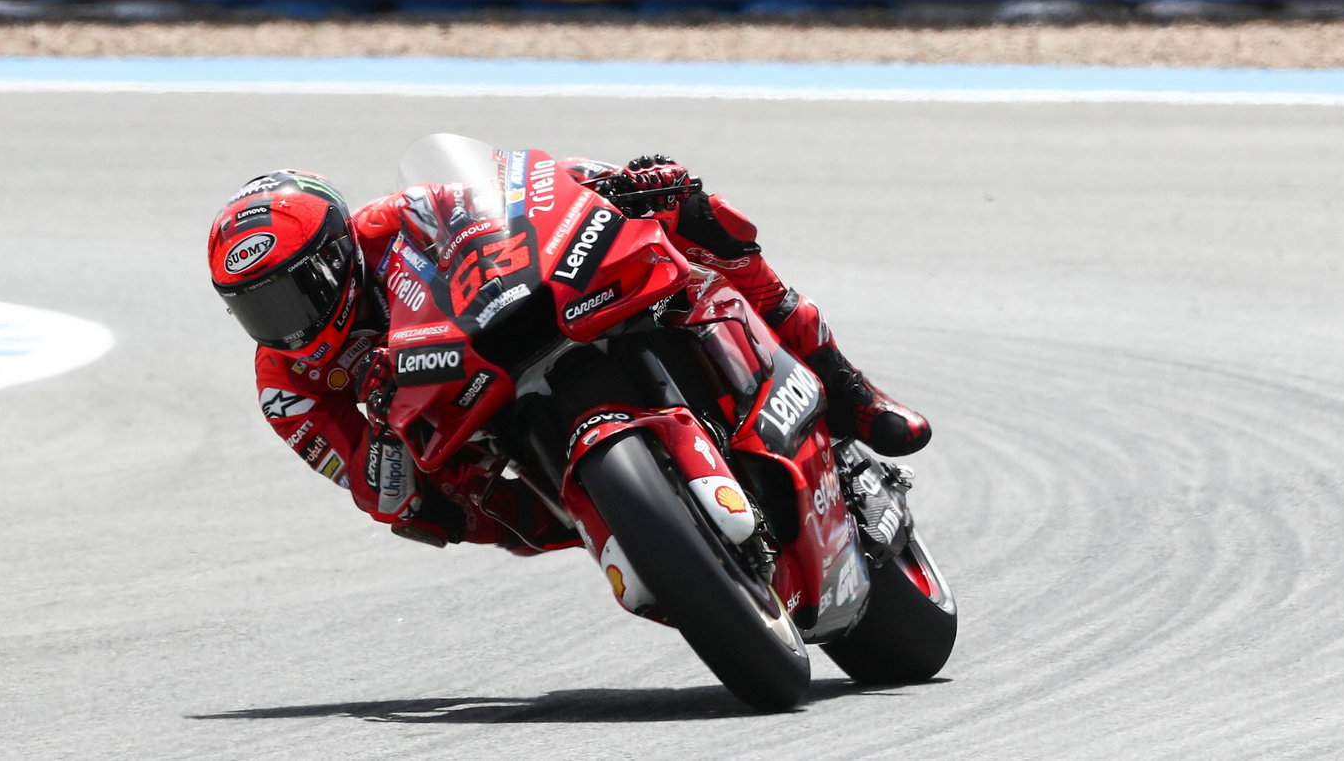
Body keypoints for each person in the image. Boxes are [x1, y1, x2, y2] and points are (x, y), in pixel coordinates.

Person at [206, 154, 931, 555]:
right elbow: (376, 487)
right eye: (256, 310)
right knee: (448, 515)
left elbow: (525, 191)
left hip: (510, 322)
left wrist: (614, 182)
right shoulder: (286, 388)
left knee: (687, 211)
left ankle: (852, 392)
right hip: (460, 422)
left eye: (294, 294)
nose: (285, 326)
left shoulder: (391, 220)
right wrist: (396, 461)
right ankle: (622, 532)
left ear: (336, 254)